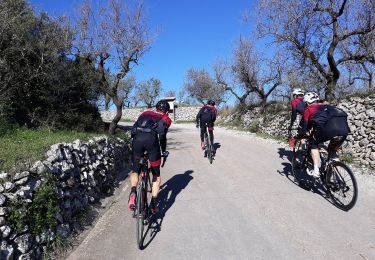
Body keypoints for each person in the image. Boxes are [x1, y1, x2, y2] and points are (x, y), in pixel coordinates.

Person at [128, 100, 172, 213]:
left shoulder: (145, 113)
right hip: (151, 142)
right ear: (166, 111)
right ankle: (153, 203)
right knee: (156, 174)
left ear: (156, 108)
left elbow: (133, 130)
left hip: (137, 140)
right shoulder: (166, 119)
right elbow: (162, 136)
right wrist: (164, 151)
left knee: (135, 170)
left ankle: (133, 191)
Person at [297, 92, 350, 177]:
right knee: (333, 152)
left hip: (329, 129)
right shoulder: (328, 106)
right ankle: (338, 178)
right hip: (344, 129)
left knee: (313, 143)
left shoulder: (309, 109)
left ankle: (316, 170)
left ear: (306, 102)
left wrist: (300, 135)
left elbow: (304, 127)